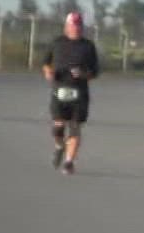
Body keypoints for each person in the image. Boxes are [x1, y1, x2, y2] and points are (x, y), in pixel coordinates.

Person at [40, 11, 100, 174]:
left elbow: (95, 72)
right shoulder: (57, 43)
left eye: (79, 25)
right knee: (58, 127)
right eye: (73, 25)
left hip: (79, 93)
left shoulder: (88, 46)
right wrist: (48, 72)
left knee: (75, 127)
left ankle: (69, 162)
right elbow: (45, 63)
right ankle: (59, 145)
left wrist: (83, 74)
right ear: (67, 27)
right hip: (59, 90)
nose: (76, 29)